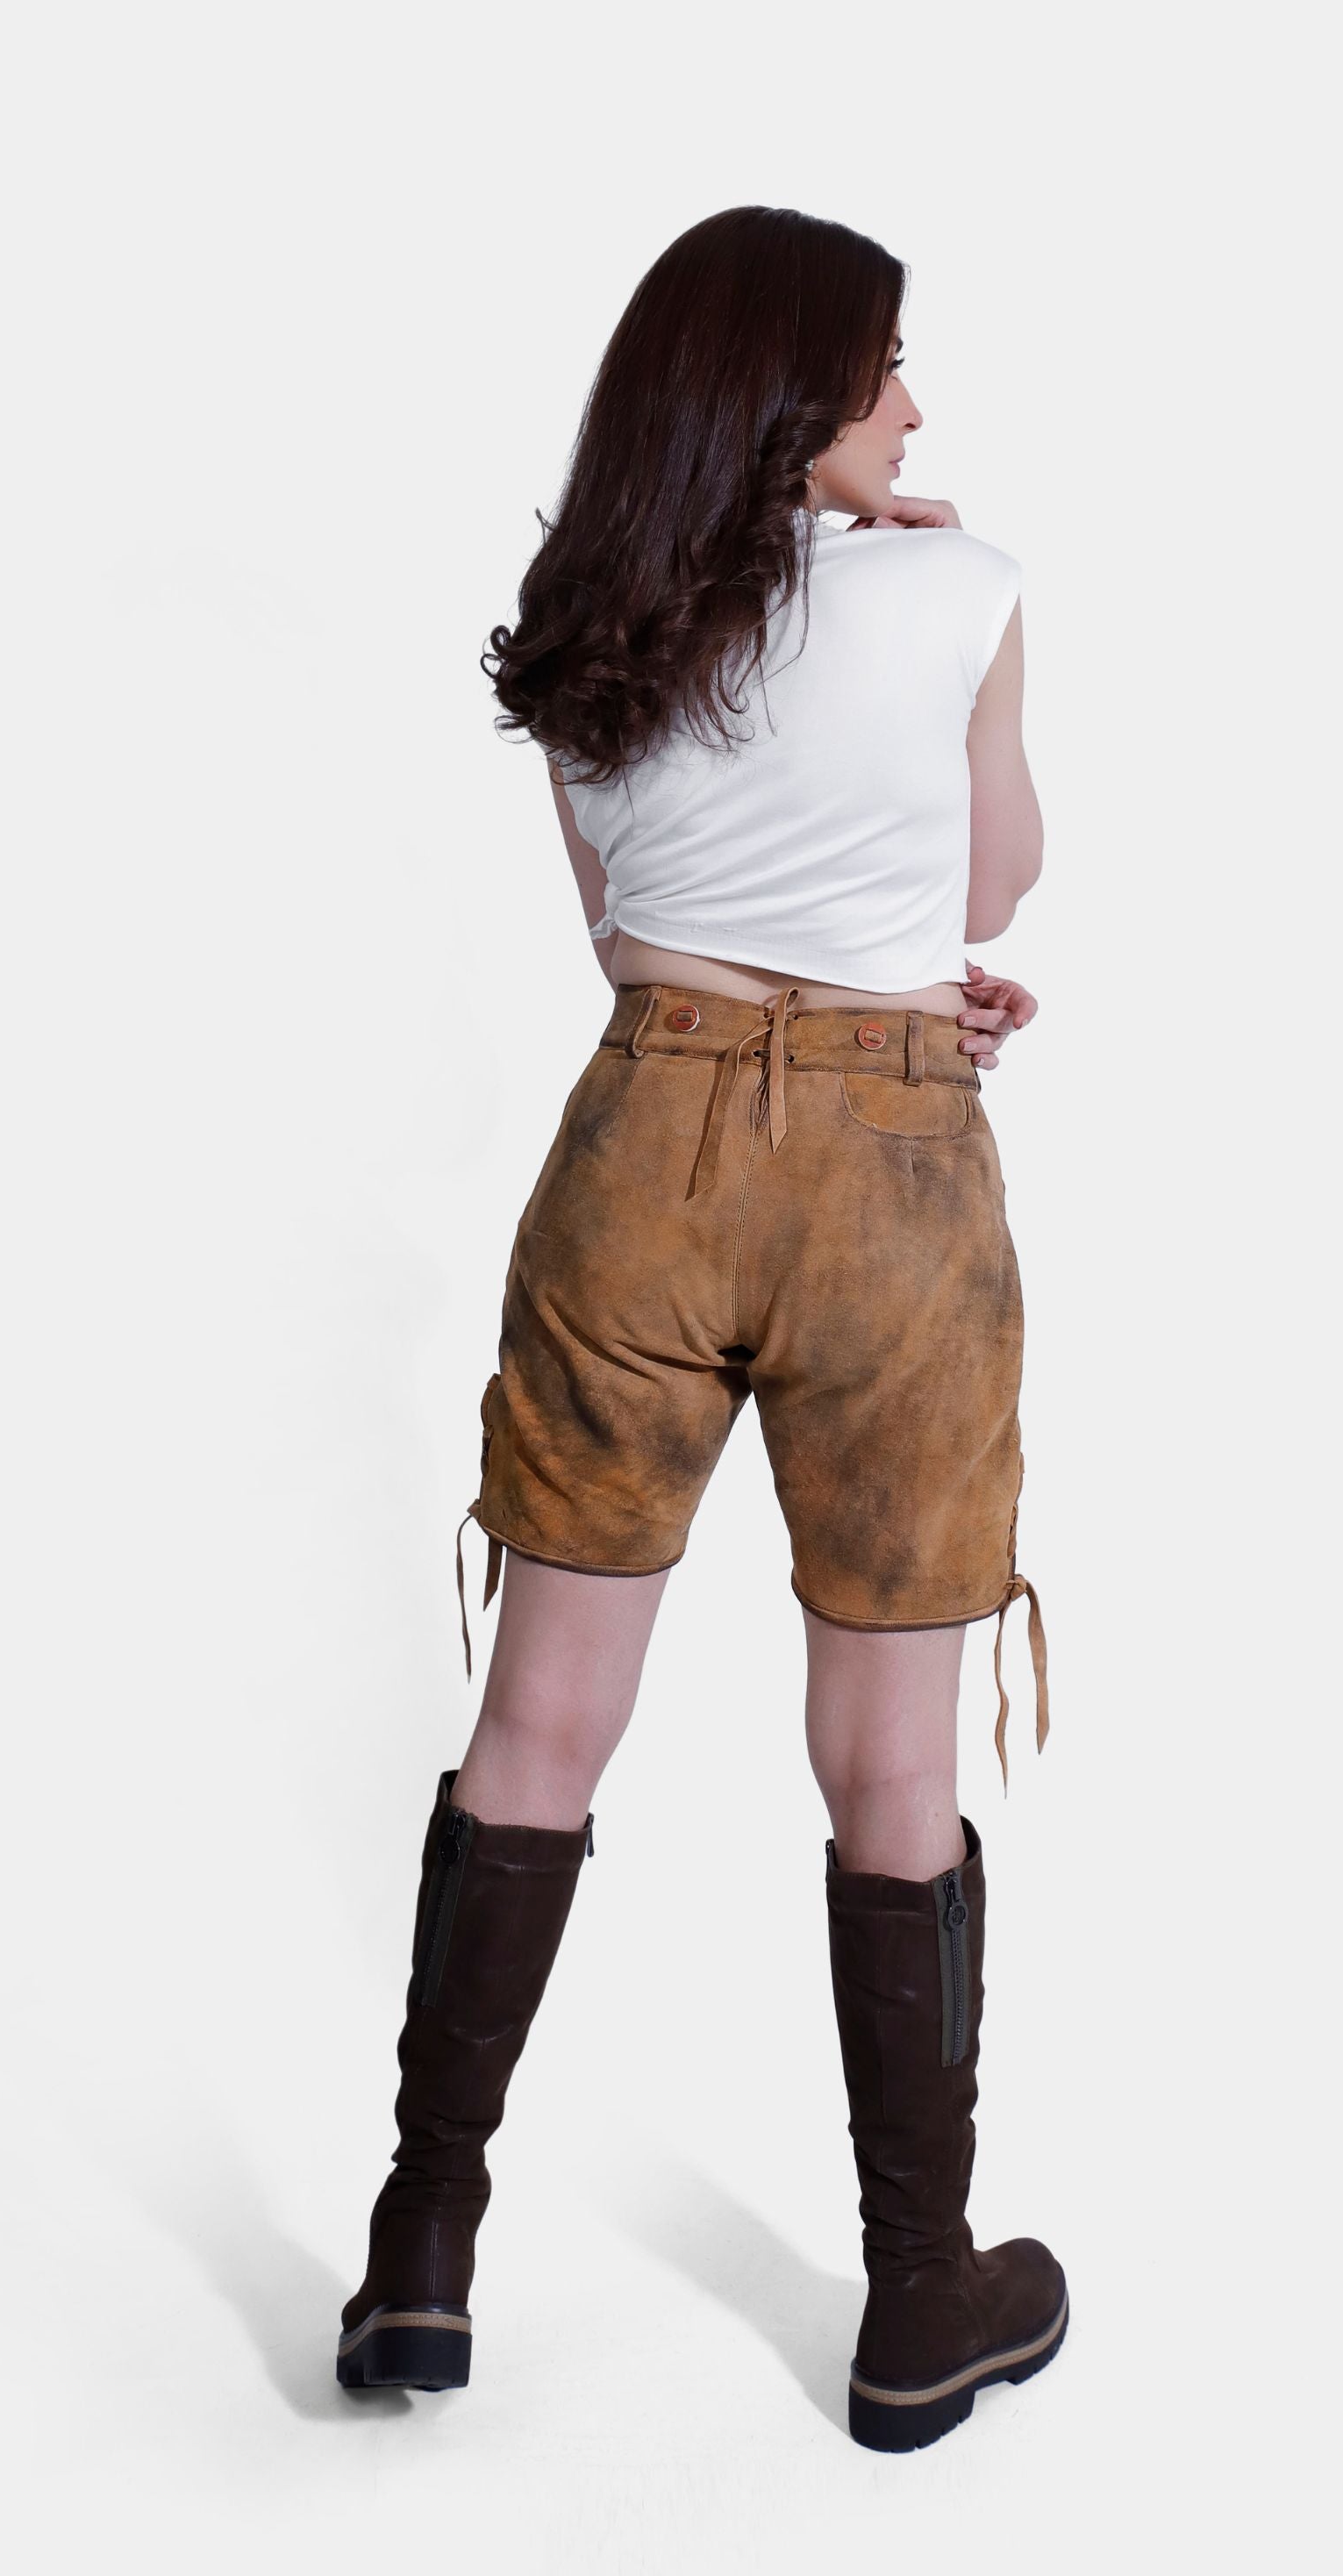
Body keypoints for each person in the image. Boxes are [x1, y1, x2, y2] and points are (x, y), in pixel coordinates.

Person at [337, 204, 1066, 2452]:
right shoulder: (959, 588)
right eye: (890, 370)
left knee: (538, 1728)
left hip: (632, 1168)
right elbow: (990, 884)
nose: (918, 410)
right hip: (892, 1176)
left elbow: (632, 943)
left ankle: (422, 2257)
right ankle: (917, 2289)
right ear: (799, 386)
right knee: (893, 1765)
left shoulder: (587, 631)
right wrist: (899, 987)